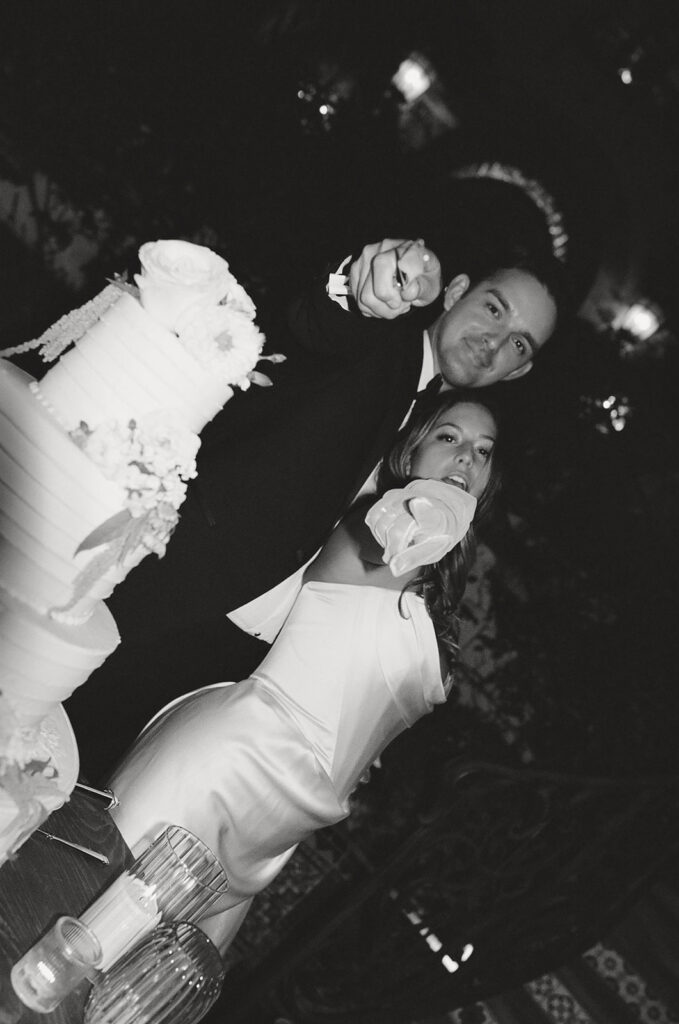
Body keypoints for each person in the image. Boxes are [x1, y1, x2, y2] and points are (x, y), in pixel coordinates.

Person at [67, 236, 564, 779]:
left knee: (79, 793)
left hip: (239, 669)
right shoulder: (377, 346)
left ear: (518, 372)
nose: (495, 341)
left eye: (519, 345)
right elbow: (319, 321)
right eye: (494, 309)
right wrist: (358, 287)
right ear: (457, 292)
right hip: (175, 586)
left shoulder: (443, 446)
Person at [108, 390, 503, 954]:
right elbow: (404, 537)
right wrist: (443, 509)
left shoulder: (435, 582)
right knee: (78, 932)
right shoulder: (378, 528)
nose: (467, 457)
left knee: (149, 996)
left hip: (281, 827)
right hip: (229, 764)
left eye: (483, 452)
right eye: (449, 438)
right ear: (409, 451)